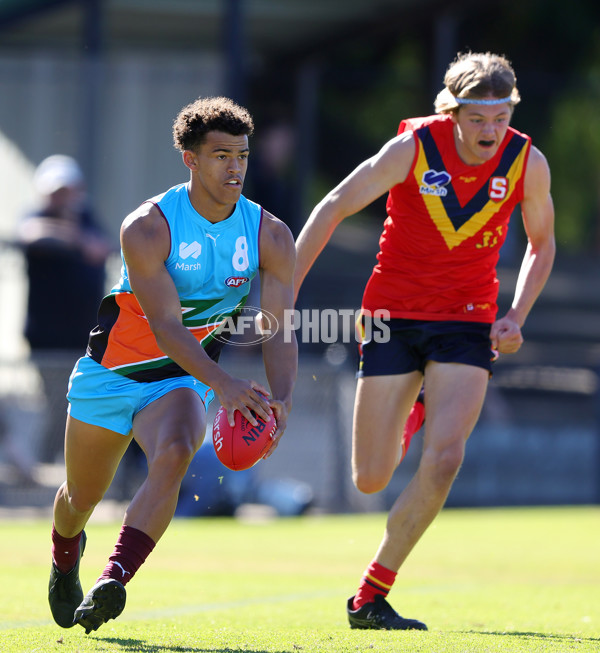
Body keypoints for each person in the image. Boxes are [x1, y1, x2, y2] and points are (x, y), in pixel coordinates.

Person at [294, 52, 555, 630]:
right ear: (453, 112)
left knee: (446, 457)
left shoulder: (525, 162)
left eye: (501, 118)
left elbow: (542, 242)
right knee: (371, 478)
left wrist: (516, 314)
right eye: (479, 118)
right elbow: (335, 205)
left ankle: (371, 594)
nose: (491, 132)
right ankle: (416, 406)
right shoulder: (412, 149)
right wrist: (285, 288)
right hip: (391, 315)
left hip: (467, 319)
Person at [47, 96, 297, 633]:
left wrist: (282, 401)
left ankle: (114, 577)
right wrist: (229, 384)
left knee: (179, 447)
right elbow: (166, 328)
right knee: (78, 498)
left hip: (182, 377)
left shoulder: (270, 235)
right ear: (190, 158)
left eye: (242, 156)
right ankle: (66, 557)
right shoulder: (147, 227)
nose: (235, 168)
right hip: (111, 374)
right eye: (220, 156)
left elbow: (277, 328)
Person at [17, 155, 112, 463]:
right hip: (48, 339)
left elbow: (108, 246)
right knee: (58, 402)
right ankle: (39, 462)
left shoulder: (89, 220)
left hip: (85, 339)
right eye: (54, 191)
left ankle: (51, 463)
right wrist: (77, 240)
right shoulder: (40, 219)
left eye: (65, 190)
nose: (60, 197)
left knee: (79, 402)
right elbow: (28, 233)